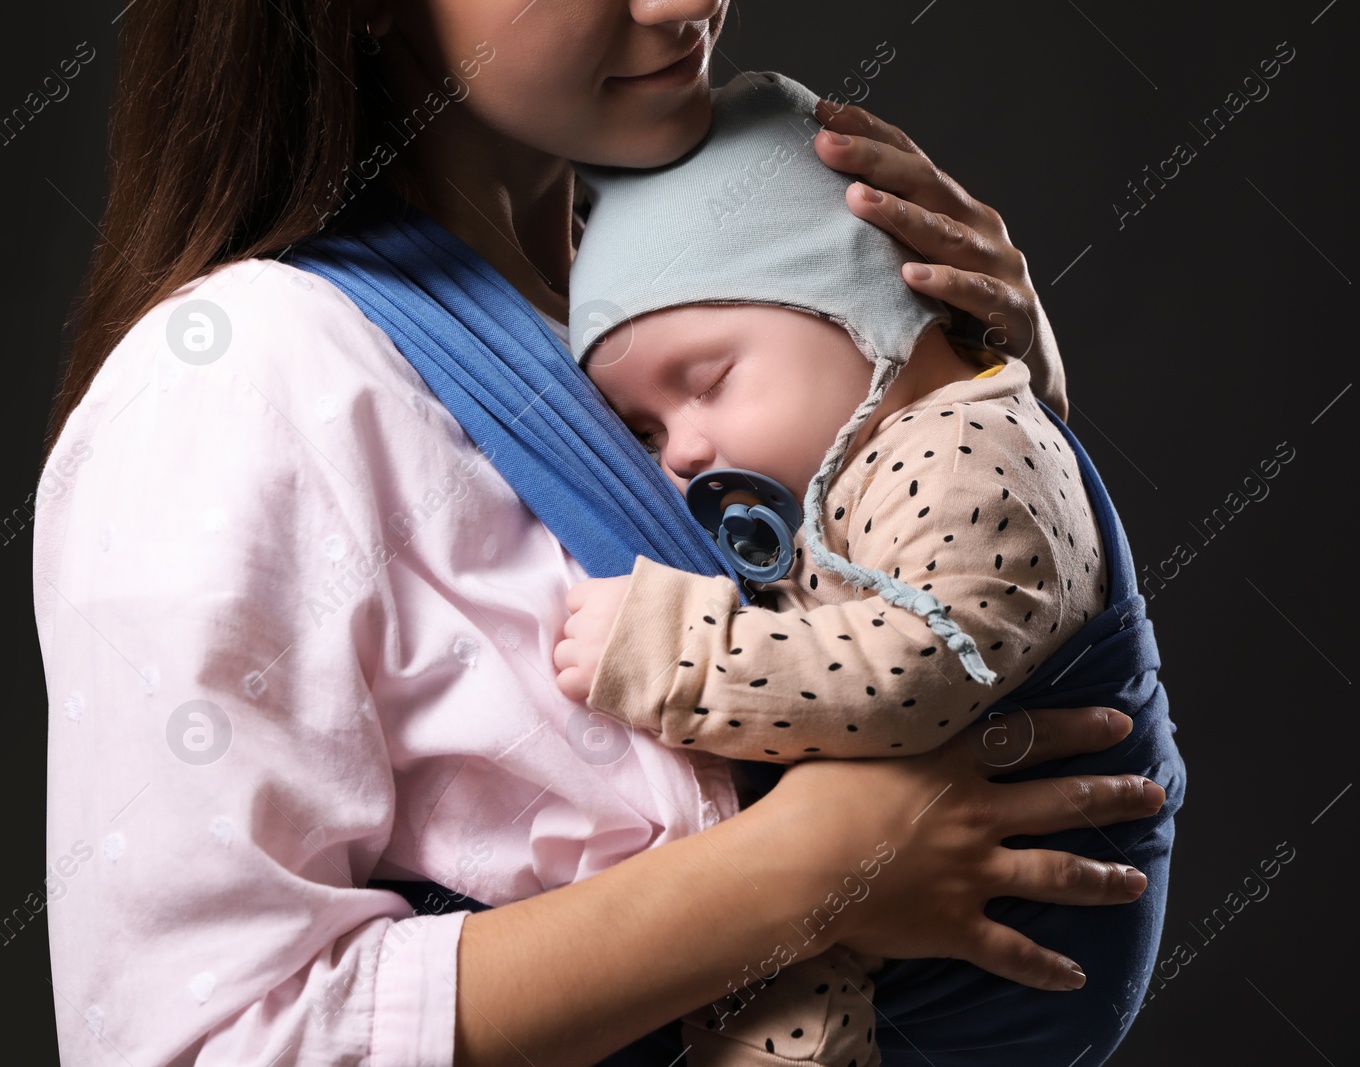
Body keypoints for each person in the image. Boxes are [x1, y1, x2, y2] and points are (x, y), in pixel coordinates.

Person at [32, 2, 1175, 1066]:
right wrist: (806, 868)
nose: (683, 2)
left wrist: (979, 390)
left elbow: (936, 616)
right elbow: (203, 1036)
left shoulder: (698, 286)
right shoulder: (242, 379)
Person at [547, 71, 1174, 1067]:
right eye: (646, 428)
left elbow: (918, 669)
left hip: (1003, 969)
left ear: (866, 316)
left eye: (705, 382)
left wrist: (677, 651)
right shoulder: (857, 465)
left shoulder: (962, 446)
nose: (679, 450)